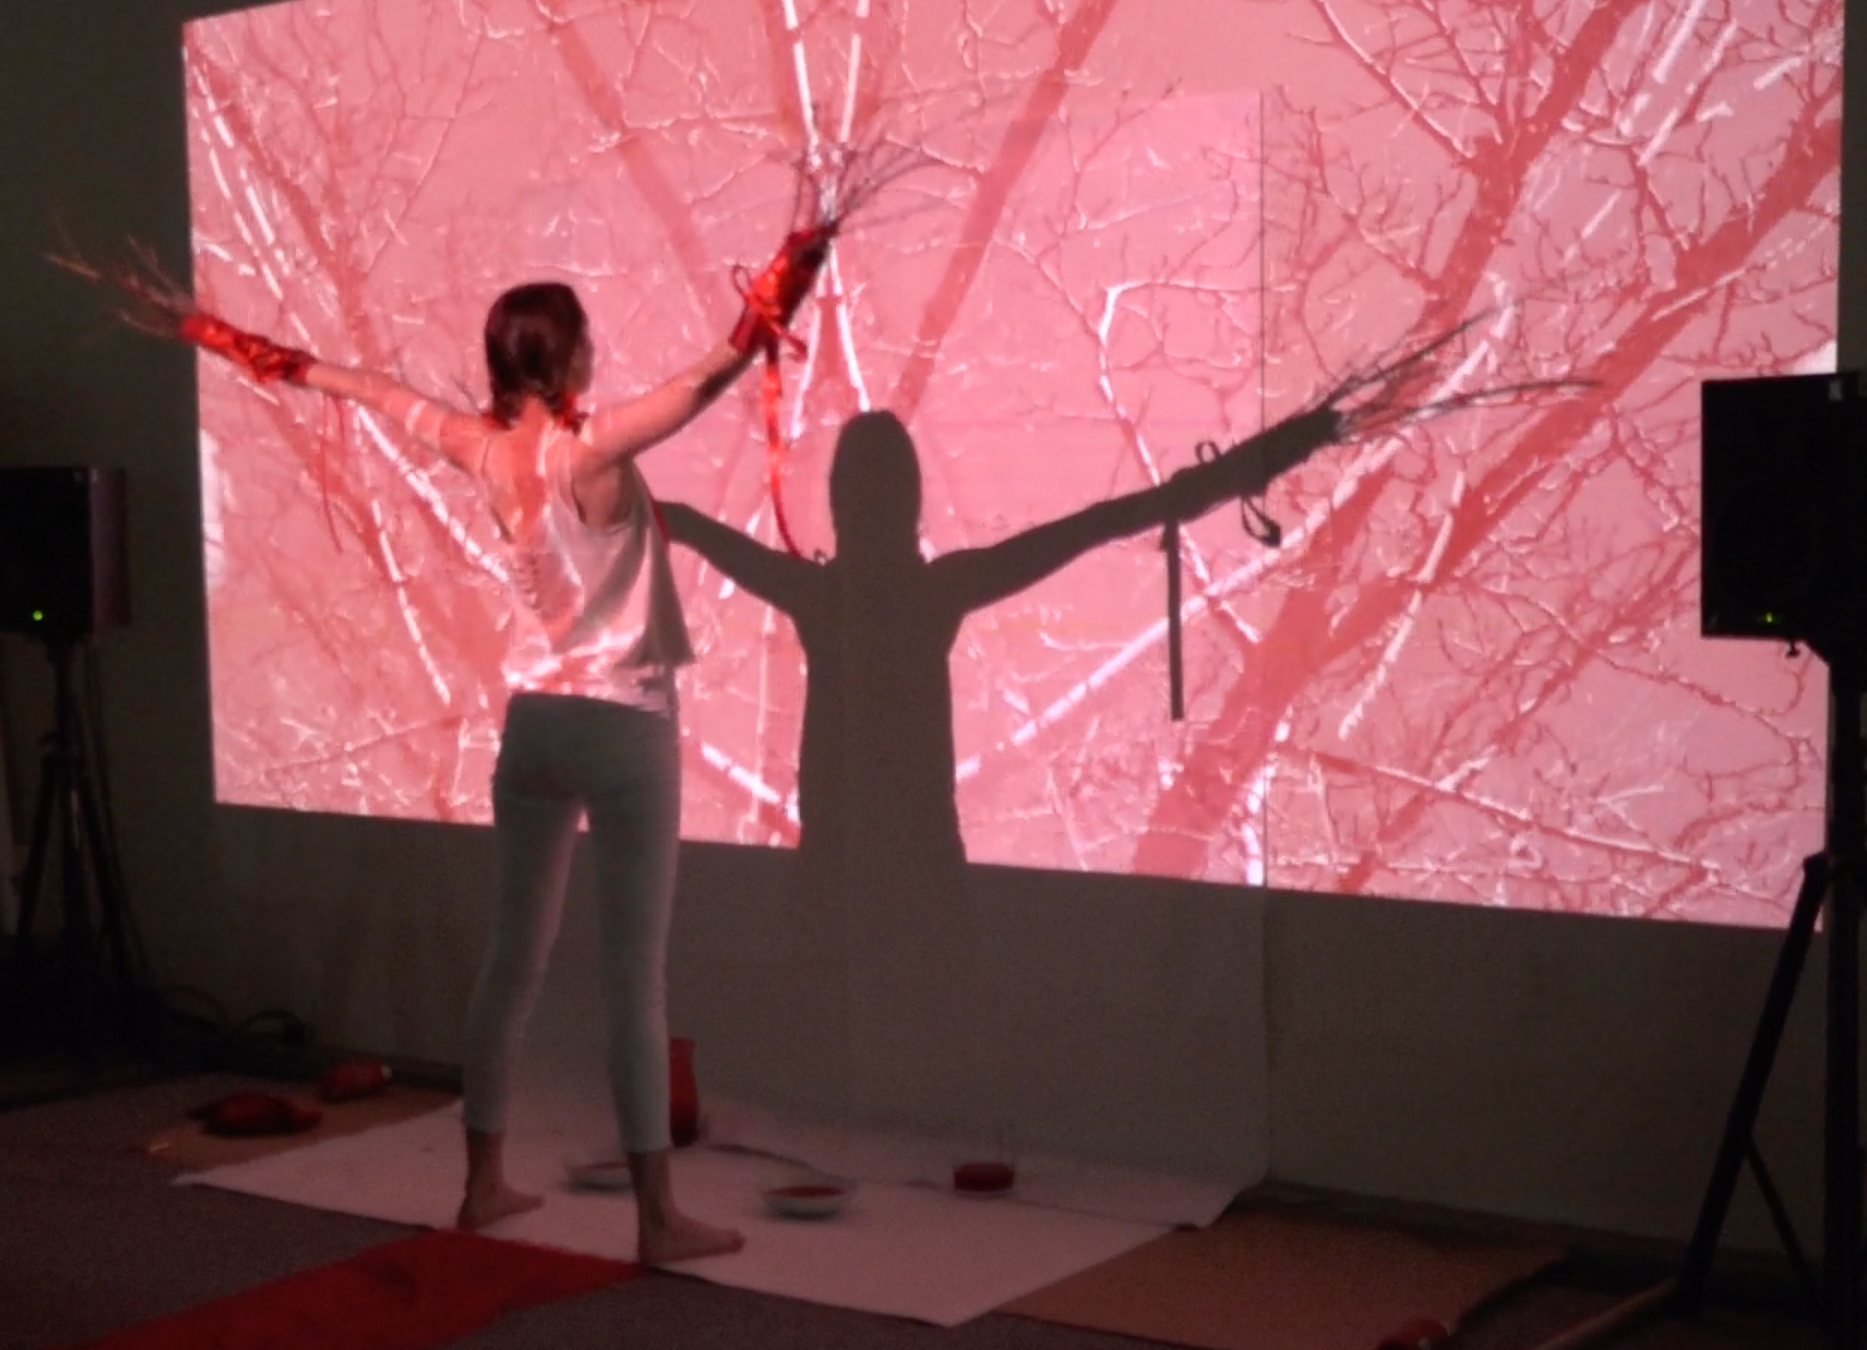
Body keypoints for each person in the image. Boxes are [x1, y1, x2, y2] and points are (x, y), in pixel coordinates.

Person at [178, 228, 828, 1262]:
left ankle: (483, 1186)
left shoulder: (479, 450)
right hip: (622, 724)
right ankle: (657, 1219)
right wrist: (784, 288)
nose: (596, 351)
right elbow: (709, 376)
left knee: (510, 962)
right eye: (585, 339)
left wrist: (262, 354)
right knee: (633, 979)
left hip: (534, 729)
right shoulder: (591, 450)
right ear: (564, 356)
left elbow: (367, 388)